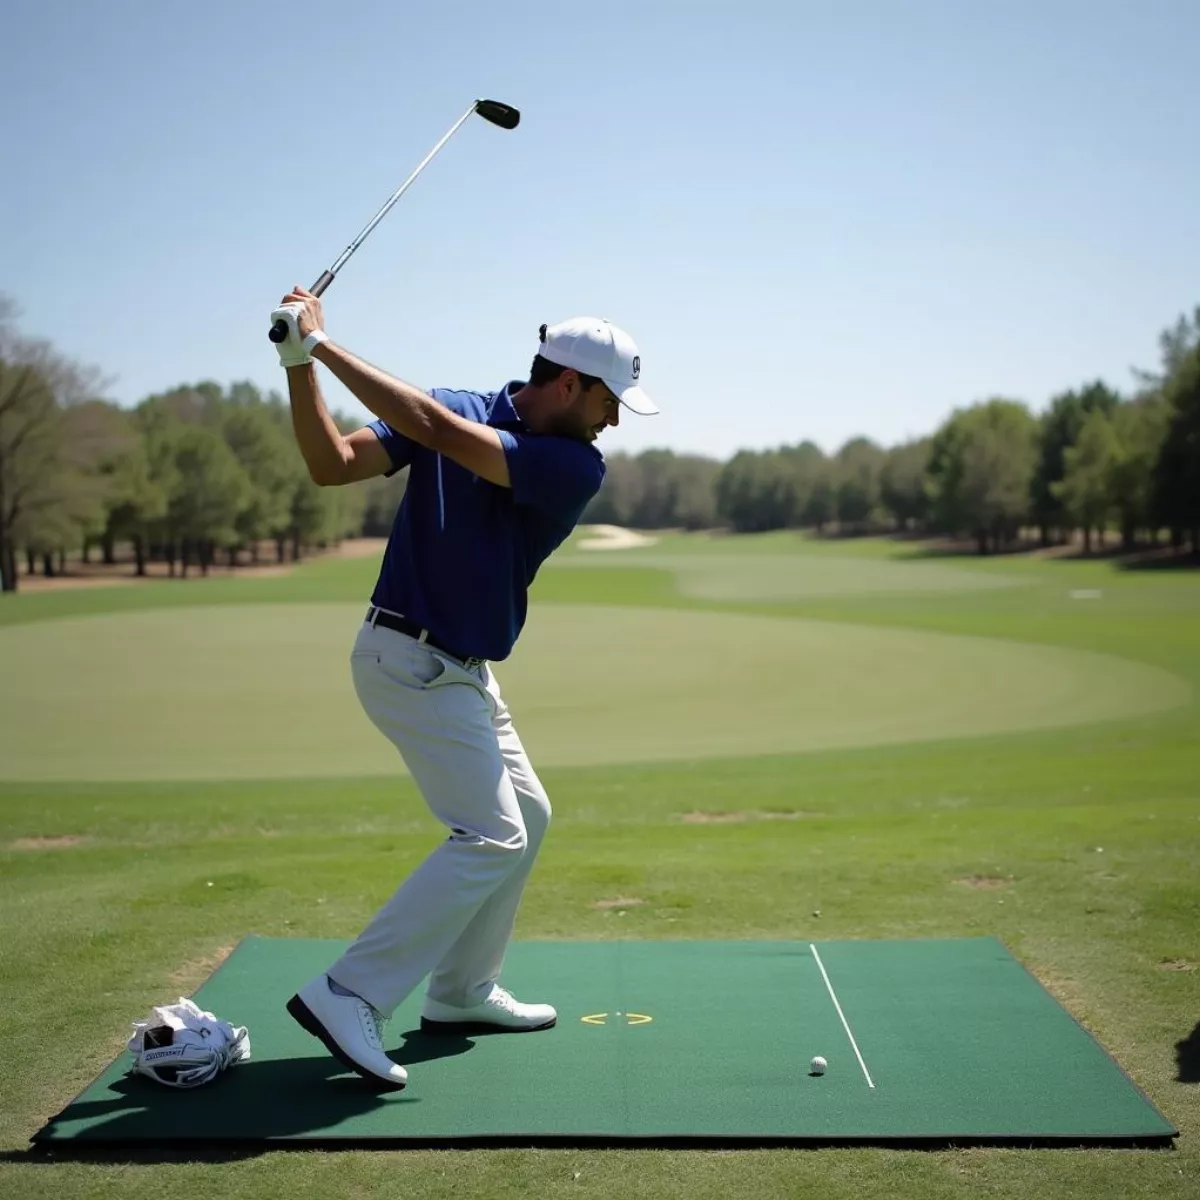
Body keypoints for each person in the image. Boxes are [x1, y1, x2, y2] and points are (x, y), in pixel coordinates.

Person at [269, 287, 658, 1088]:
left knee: (531, 818)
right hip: (405, 660)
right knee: (491, 835)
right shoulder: (457, 407)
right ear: (569, 384)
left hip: (465, 672)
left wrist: (325, 343)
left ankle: (459, 992)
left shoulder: (573, 463)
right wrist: (297, 360)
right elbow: (330, 465)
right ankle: (349, 992)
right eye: (609, 401)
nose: (613, 421)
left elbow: (441, 433)